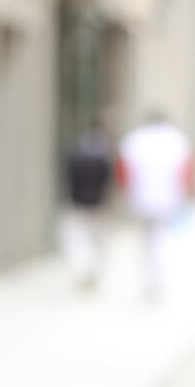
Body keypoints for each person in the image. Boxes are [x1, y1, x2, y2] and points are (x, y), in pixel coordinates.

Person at [118, 112, 194, 301]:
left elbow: (123, 172)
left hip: (140, 198)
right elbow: (187, 171)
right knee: (161, 238)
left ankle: (150, 277)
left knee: (146, 239)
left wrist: (125, 193)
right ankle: (157, 279)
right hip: (169, 198)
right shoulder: (178, 140)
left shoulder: (133, 140)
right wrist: (187, 193)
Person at [62, 122, 114, 291]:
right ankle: (91, 271)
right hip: (97, 205)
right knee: (95, 241)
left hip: (79, 204)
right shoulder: (103, 158)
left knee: (80, 240)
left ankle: (84, 270)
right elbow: (108, 182)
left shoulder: (75, 156)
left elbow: (68, 179)